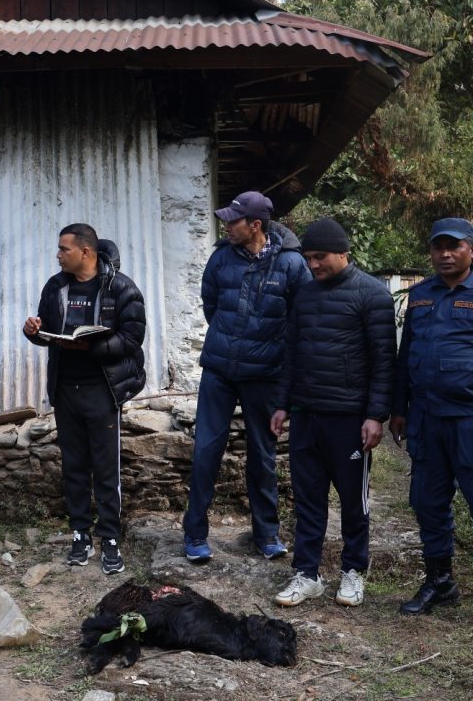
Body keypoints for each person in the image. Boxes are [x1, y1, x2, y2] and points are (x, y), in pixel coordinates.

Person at [270, 218, 396, 607]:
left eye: (320, 257)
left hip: (349, 419)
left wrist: (376, 415)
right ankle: (307, 574)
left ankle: (353, 571)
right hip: (307, 414)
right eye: (308, 258)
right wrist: (282, 403)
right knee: (308, 499)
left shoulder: (372, 294)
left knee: (353, 502)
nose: (313, 265)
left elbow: (384, 361)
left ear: (344, 253)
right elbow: (291, 353)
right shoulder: (305, 295)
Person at [182, 190, 311, 563]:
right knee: (206, 450)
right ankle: (194, 534)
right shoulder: (221, 257)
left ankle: (267, 534)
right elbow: (211, 306)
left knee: (263, 455)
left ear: (255, 225)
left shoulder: (290, 264)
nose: (226, 224)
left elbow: (298, 320)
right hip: (220, 371)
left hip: (265, 376)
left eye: (233, 220)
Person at [23, 223, 146, 575]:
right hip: (65, 388)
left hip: (102, 389)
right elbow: (46, 332)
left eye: (64, 249)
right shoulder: (56, 286)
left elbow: (133, 337)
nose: (58, 254)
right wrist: (32, 331)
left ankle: (109, 538)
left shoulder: (121, 288)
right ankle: (80, 535)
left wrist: (91, 346)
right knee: (74, 467)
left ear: (86, 252)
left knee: (106, 469)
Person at [389, 217, 473, 615]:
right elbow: (406, 357)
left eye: (454, 246)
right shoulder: (420, 296)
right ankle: (440, 582)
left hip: (468, 419)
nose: (445, 254)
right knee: (427, 502)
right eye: (438, 247)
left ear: (470, 249)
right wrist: (399, 408)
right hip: (426, 418)